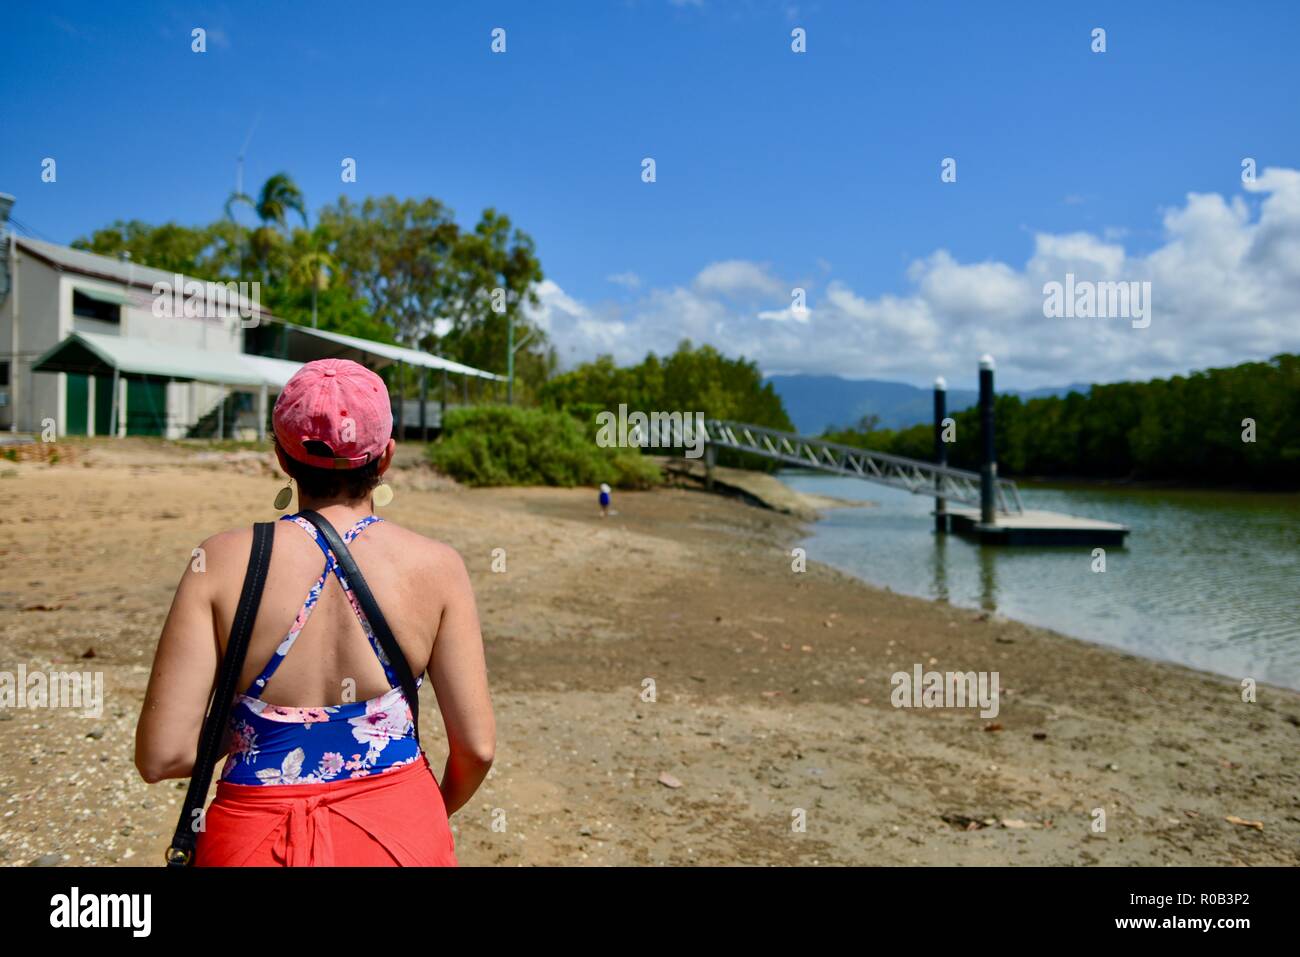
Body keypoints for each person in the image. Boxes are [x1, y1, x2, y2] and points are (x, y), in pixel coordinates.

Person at [134, 358, 495, 866]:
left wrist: (256, 726)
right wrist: (428, 811)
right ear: (386, 456)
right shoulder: (438, 568)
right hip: (399, 832)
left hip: (254, 838)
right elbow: (476, 749)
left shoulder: (217, 562)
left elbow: (162, 755)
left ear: (283, 457)